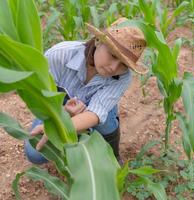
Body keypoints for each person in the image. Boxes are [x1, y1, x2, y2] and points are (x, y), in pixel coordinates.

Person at [24, 17, 148, 164]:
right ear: (98, 41)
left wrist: (61, 127)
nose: (114, 68)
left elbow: (95, 112)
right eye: (113, 55)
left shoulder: (123, 77)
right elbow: (38, 95)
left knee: (106, 122)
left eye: (123, 64)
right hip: (57, 107)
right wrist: (63, 115)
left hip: (95, 107)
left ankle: (113, 156)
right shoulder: (59, 55)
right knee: (34, 154)